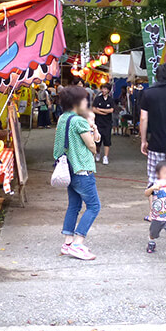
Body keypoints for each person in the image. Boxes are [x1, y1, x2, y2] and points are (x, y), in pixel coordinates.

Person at [53, 85, 103, 261]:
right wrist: (95, 148)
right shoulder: (79, 121)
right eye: (84, 99)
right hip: (82, 169)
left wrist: (94, 129)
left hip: (69, 169)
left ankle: (67, 242)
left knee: (74, 206)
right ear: (76, 102)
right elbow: (91, 145)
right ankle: (78, 243)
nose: (86, 102)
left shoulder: (62, 119)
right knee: (94, 206)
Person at [92, 83, 115, 164]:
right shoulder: (97, 99)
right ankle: (98, 153)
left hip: (107, 123)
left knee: (107, 140)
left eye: (105, 89)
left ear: (108, 90)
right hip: (98, 123)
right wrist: (104, 112)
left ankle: (106, 157)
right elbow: (94, 109)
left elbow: (111, 110)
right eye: (103, 88)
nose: (104, 90)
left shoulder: (110, 100)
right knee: (98, 141)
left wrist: (100, 110)